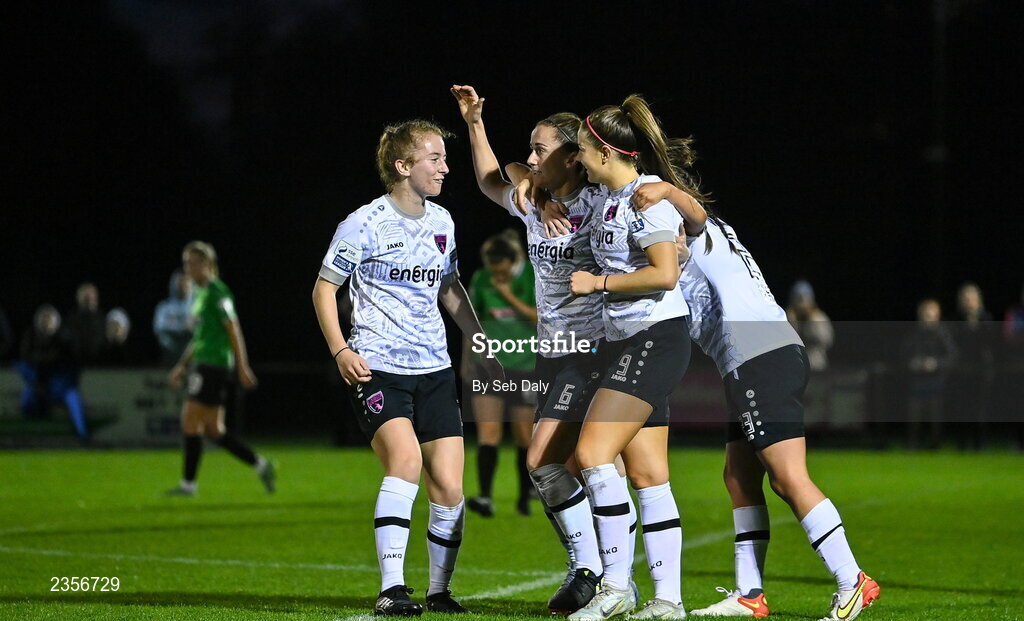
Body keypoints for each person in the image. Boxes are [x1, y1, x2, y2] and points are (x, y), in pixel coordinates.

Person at [453, 85, 685, 616]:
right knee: (613, 468)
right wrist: (475, 126)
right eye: (532, 150)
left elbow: (653, 217)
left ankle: (607, 577)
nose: (532, 158)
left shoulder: (601, 200)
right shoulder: (537, 203)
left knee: (563, 460)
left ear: (573, 156)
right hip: (556, 350)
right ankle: (616, 578)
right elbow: (496, 175)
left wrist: (672, 199)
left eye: (543, 149)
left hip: (598, 347)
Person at [622, 183, 881, 620]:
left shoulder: (696, 230)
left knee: (787, 478)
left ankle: (851, 579)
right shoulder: (713, 241)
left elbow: (694, 216)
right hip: (761, 349)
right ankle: (750, 594)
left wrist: (665, 190)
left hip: (757, 352)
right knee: (739, 476)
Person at [312, 119, 502, 617]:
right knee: (406, 462)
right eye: (434, 158)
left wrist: (479, 338)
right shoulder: (364, 223)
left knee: (451, 487)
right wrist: (340, 350)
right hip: (378, 368)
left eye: (444, 158)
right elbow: (323, 289)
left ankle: (439, 591)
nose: (445, 167)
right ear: (403, 166)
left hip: (434, 369)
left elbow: (450, 287)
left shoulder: (443, 222)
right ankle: (392, 588)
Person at [563, 95, 708, 621]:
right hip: (631, 339)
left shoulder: (645, 199)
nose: (577, 158)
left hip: (656, 336)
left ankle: (616, 586)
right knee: (648, 474)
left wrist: (597, 282)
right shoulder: (607, 197)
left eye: (582, 149)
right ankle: (668, 601)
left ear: (606, 151)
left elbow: (665, 274)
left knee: (593, 455)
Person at [166, 241, 275, 497]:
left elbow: (233, 328)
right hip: (203, 363)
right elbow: (201, 335)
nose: (188, 268)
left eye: (193, 262)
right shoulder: (199, 292)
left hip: (213, 366)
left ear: (207, 264)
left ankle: (188, 485)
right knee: (214, 430)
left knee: (190, 421)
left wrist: (243, 366)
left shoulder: (218, 292)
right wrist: (182, 364)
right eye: (186, 263)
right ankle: (261, 465)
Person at [463, 230, 538, 518]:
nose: (497, 275)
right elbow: (473, 322)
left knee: (524, 435)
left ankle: (524, 497)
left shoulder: (531, 276)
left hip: (525, 364)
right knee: (488, 433)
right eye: (493, 269)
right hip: (488, 367)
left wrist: (508, 296)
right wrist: (467, 361)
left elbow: (539, 318)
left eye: (502, 269)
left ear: (513, 260)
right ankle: (484, 497)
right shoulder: (482, 279)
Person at [15, 304, 89, 439]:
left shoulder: (64, 338)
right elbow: (25, 360)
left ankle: (83, 436)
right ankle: (26, 438)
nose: (47, 324)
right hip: (38, 385)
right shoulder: (31, 337)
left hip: (60, 385)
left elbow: (71, 360)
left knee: (73, 398)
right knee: (27, 403)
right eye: (44, 321)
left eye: (50, 321)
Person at [900, 298, 957, 450]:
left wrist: (936, 364)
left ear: (937, 315)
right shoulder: (913, 334)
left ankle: (934, 444)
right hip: (916, 382)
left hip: (936, 382)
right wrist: (912, 363)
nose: (927, 317)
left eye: (930, 313)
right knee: (914, 417)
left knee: (935, 418)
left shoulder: (943, 334)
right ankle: (913, 444)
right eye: (925, 313)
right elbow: (903, 355)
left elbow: (951, 357)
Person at [951, 282, 994, 450]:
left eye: (972, 298)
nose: (969, 301)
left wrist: (976, 323)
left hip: (981, 371)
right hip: (962, 370)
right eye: (966, 298)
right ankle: (962, 443)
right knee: (962, 408)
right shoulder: (957, 320)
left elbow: (991, 344)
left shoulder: (986, 319)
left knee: (980, 409)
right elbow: (953, 345)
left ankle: (980, 443)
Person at [786, 280, 834, 373]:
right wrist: (793, 322)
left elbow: (827, 340)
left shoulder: (818, 317)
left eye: (804, 299)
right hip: (794, 368)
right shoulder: (787, 317)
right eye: (798, 299)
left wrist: (811, 322)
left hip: (816, 366)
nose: (801, 304)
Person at [154, 270, 194, 366]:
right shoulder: (163, 308)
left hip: (192, 356)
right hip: (170, 354)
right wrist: (183, 326)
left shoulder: (197, 307)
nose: (182, 286)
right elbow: (160, 327)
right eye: (180, 282)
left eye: (186, 282)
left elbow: (198, 328)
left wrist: (174, 324)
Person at [66, 282, 106, 366]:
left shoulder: (104, 321)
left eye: (92, 297)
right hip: (75, 366)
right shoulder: (70, 321)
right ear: (78, 298)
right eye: (86, 298)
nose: (89, 301)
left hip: (100, 366)